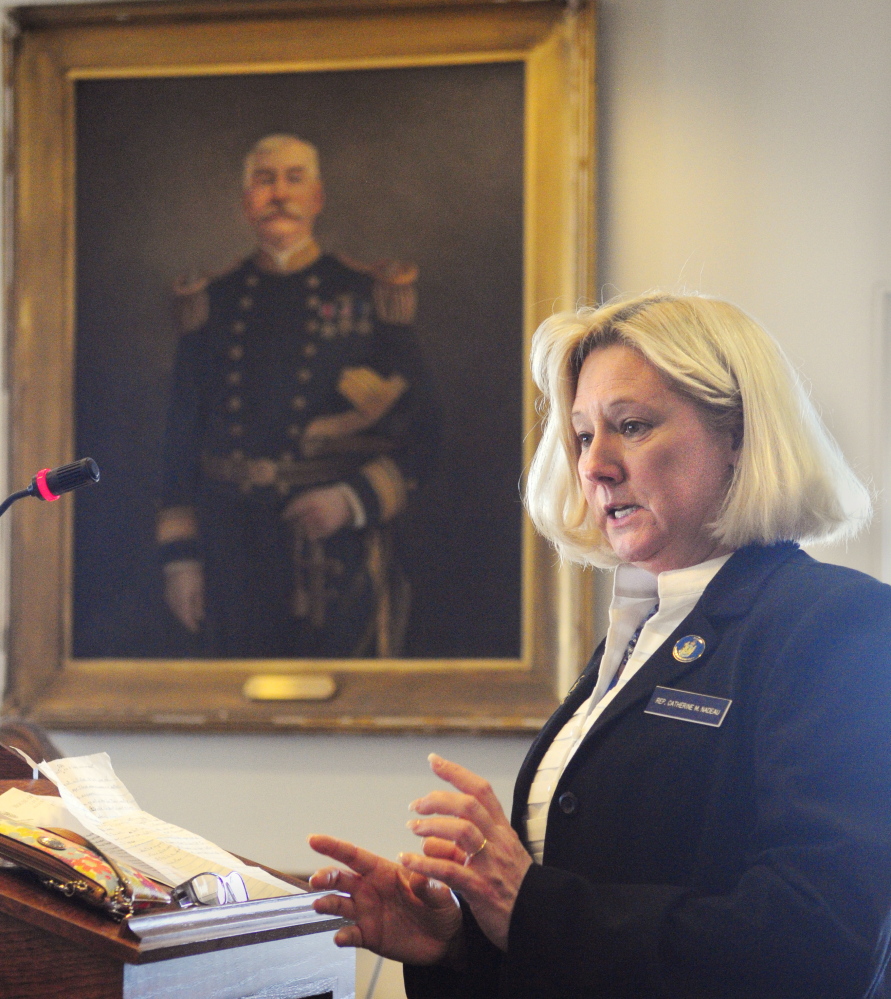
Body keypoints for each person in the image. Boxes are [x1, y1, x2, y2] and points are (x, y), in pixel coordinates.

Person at [307, 292, 891, 998]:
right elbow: (568, 935)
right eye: (582, 435)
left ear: (739, 434)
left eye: (632, 426)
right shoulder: (639, 632)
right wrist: (461, 942)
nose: (595, 465)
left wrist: (529, 907)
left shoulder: (835, 622)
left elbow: (820, 940)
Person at [157, 134, 434, 657]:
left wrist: (350, 500)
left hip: (334, 552)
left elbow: (424, 432)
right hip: (228, 549)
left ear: (317, 197)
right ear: (246, 202)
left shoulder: (367, 294)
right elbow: (180, 441)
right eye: (264, 181)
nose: (278, 193)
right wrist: (181, 559)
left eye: (293, 179)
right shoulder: (211, 302)